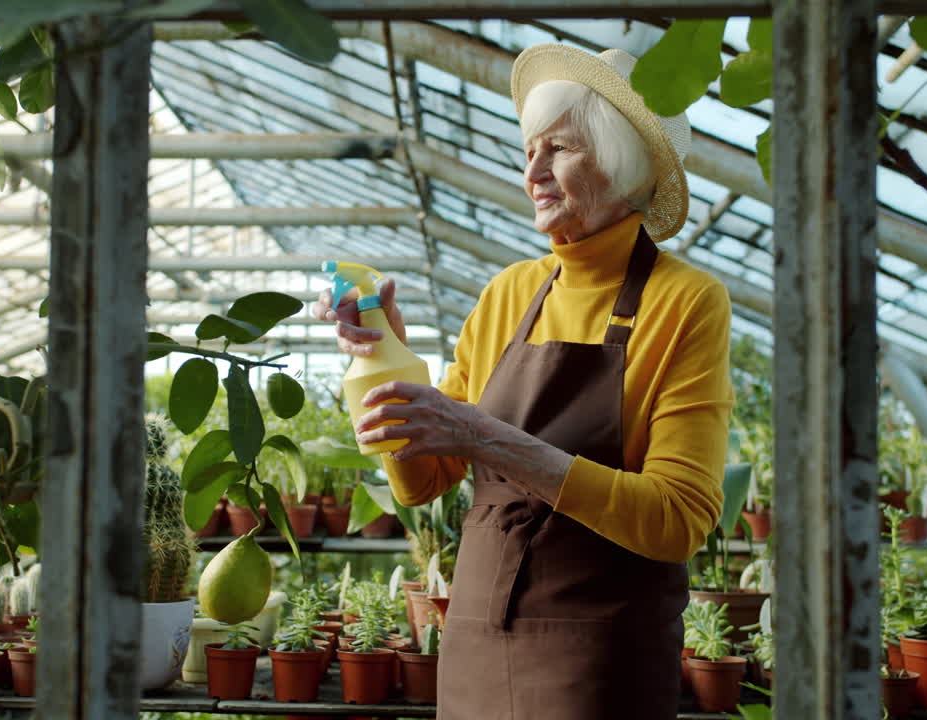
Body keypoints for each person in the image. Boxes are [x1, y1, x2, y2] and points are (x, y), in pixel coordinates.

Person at [313, 43, 733, 719]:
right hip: (477, 638)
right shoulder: (509, 293)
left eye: (559, 149)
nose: (532, 171)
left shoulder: (684, 301)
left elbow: (679, 519)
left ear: (621, 161)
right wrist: (379, 356)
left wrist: (493, 438)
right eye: (529, 149)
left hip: (598, 658)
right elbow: (422, 483)